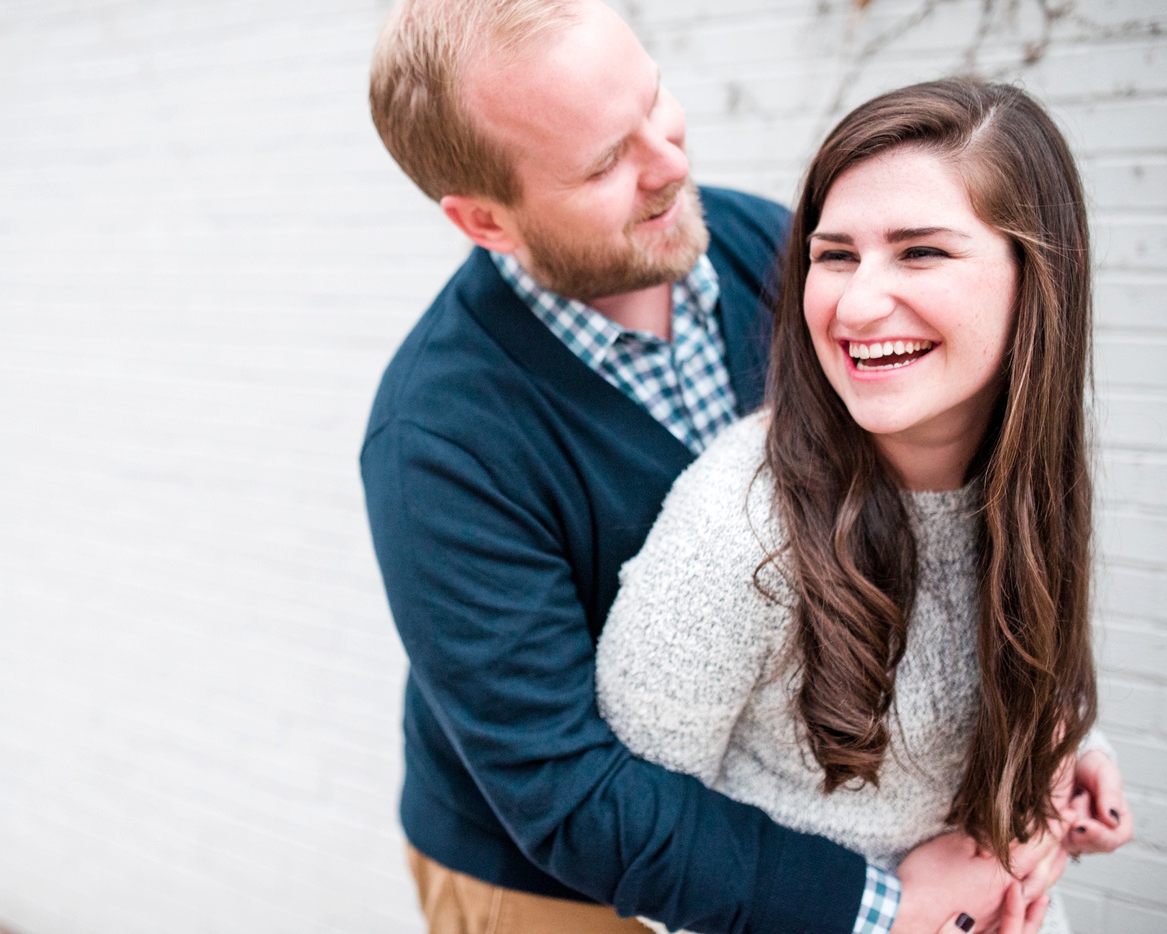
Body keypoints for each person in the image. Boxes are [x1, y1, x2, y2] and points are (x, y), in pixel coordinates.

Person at [361, 1, 1127, 931]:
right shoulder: (437, 441)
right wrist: (881, 906)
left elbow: (930, 547)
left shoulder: (776, 251)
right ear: (485, 219)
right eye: (607, 160)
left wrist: (1039, 738)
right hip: (549, 878)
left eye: (654, 100)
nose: (671, 162)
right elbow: (564, 789)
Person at [596, 78, 1134, 934]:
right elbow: (640, 837)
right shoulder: (740, 527)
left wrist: (1071, 749)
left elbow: (998, 657)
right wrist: (882, 910)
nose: (854, 303)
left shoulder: (1034, 467)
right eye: (835, 254)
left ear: (1038, 278)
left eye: (921, 253)